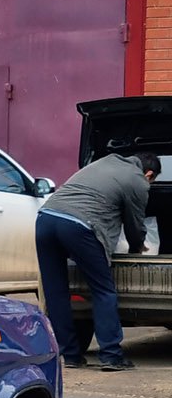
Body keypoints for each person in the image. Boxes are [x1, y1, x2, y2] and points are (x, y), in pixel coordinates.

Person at [35, 151, 160, 371]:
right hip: (79, 225)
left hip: (45, 219)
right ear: (149, 174)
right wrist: (137, 248)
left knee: (55, 291)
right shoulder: (138, 180)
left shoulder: (104, 162)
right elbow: (135, 223)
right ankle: (111, 356)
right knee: (103, 290)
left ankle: (70, 355)